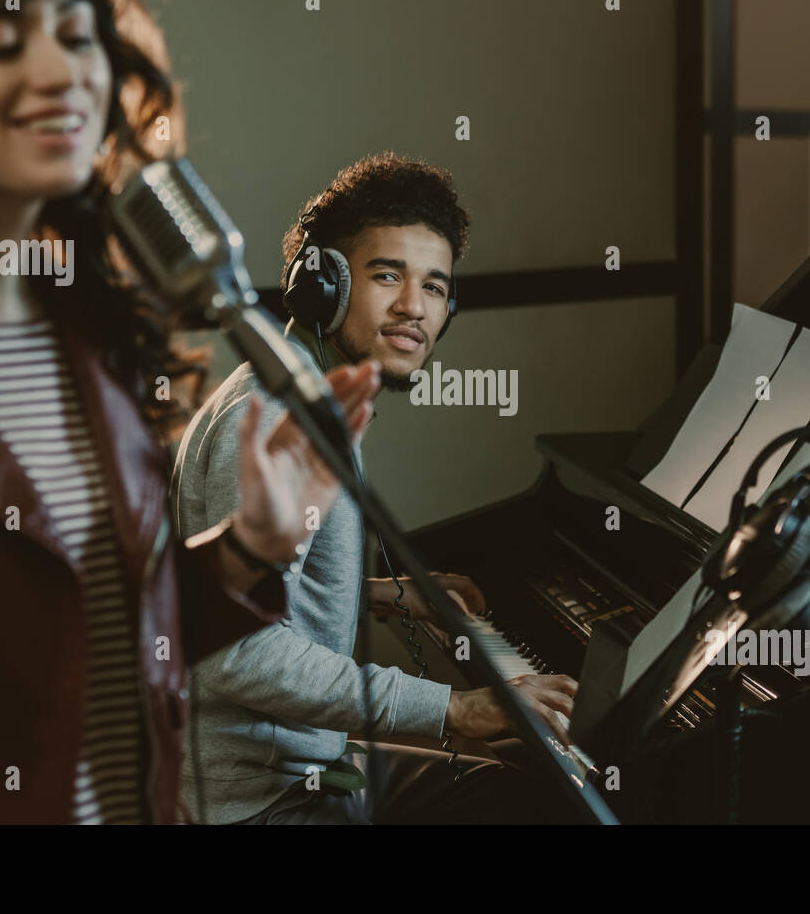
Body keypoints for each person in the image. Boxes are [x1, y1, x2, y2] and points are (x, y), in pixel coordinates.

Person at [0, 0, 378, 824]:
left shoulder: (87, 321)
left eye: (79, 37)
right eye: (1, 43)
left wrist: (244, 554)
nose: (61, 72)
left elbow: (100, 634)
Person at [173, 153, 583, 824]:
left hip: (293, 763)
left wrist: (390, 595)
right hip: (256, 800)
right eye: (387, 275)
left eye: (435, 286)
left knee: (511, 775)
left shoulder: (306, 395)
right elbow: (236, 649)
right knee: (526, 797)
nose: (413, 308)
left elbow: (261, 590)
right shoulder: (276, 417)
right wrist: (454, 707)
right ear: (321, 285)